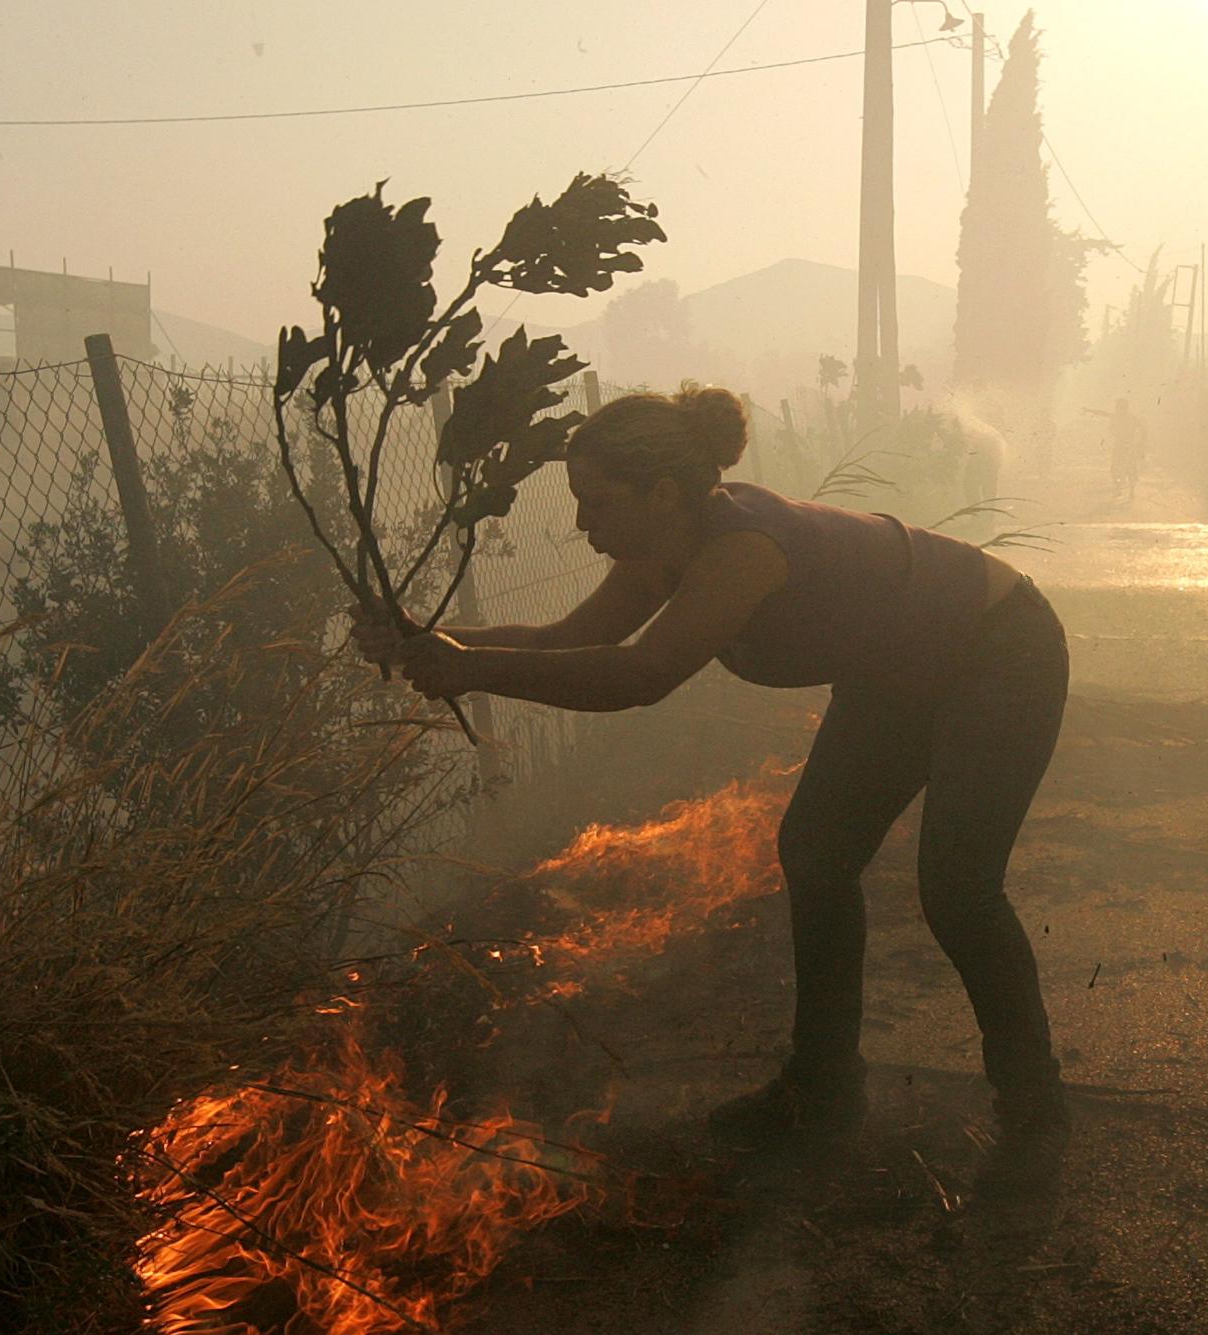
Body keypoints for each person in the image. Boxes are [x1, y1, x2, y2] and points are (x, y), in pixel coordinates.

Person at [353, 386, 1072, 1176]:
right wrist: (428, 643)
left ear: (663, 495)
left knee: (958, 890)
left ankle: (1033, 1106)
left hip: (1000, 650)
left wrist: (470, 669)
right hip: (896, 675)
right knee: (816, 854)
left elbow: (641, 674)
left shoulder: (743, 549)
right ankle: (823, 1086)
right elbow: (571, 638)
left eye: (598, 502)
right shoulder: (658, 549)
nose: (584, 523)